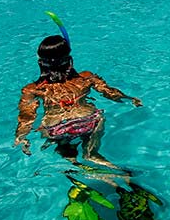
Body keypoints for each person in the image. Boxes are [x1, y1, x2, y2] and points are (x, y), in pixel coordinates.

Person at [13, 34, 142, 173]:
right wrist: (130, 99)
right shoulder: (86, 76)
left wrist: (21, 137)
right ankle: (117, 171)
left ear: (41, 62)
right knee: (90, 154)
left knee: (68, 155)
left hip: (57, 128)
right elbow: (110, 93)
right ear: (69, 59)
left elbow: (27, 116)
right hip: (89, 121)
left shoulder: (33, 89)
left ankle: (80, 168)